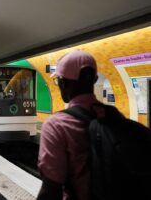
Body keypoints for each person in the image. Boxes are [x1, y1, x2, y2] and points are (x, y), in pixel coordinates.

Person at [37, 50, 100, 200]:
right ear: (95, 79)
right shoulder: (116, 117)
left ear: (62, 83)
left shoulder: (56, 126)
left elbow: (51, 189)